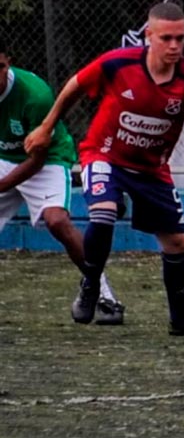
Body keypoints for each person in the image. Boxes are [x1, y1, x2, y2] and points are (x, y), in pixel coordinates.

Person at [24, 2, 184, 336]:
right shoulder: (118, 63)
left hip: (152, 169)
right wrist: (45, 126)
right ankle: (91, 284)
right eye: (167, 38)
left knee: (178, 244)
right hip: (105, 156)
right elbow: (74, 86)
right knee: (104, 213)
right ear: (149, 36)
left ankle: (180, 319)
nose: (174, 46)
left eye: (181, 39)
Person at [0, 43, 125, 324]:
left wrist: (1, 185)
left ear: (8, 63)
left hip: (45, 160)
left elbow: (35, 161)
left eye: (0, 67)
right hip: (3, 157)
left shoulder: (35, 95)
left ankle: (103, 294)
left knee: (57, 221)